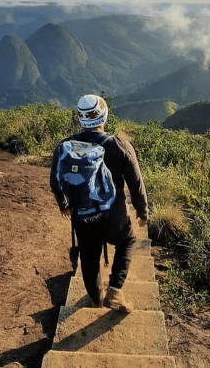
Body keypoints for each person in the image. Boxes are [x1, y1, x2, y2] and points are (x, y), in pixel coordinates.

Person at [50, 94, 149, 313]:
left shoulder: (65, 146)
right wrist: (143, 211)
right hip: (114, 215)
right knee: (128, 242)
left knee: (88, 254)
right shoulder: (120, 146)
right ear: (104, 116)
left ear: (80, 118)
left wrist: (63, 204)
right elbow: (136, 185)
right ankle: (114, 290)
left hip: (83, 214)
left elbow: (55, 181)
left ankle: (94, 299)